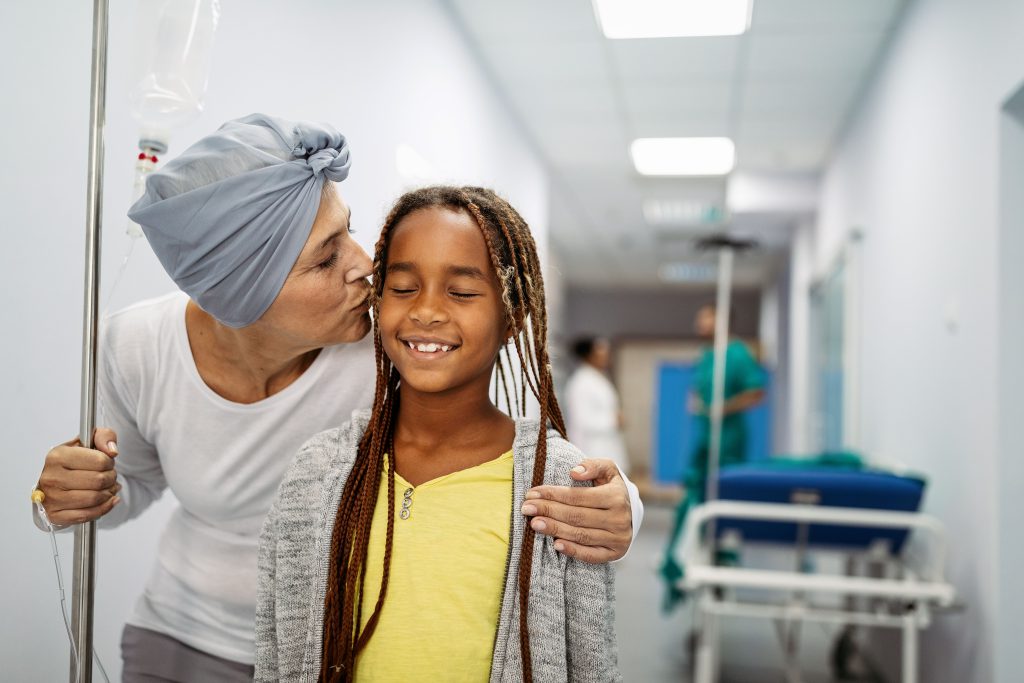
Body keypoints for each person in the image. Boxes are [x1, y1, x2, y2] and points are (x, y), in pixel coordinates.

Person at [31, 115, 639, 681]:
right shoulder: (136, 346)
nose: (364, 266)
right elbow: (130, 484)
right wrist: (79, 493)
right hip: (183, 638)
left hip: (333, 651)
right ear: (244, 295)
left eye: (346, 229)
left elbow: (516, 451)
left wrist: (621, 507)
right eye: (326, 257)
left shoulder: (397, 343)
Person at [255, 186, 620, 682]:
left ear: (512, 317)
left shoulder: (555, 486)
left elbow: (590, 662)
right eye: (403, 288)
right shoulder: (318, 472)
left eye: (463, 292)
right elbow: (278, 653)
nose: (426, 311)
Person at [659, 303, 765, 610]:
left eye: (705, 319)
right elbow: (700, 391)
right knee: (695, 495)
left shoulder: (738, 353)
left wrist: (722, 409)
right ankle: (689, 555)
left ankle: (722, 557)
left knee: (722, 497)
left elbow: (756, 392)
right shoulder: (707, 356)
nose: (699, 325)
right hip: (705, 437)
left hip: (728, 439)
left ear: (721, 320)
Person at [564, 337, 629, 475]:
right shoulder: (581, 383)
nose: (606, 355)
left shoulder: (598, 378)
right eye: (601, 351)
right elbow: (582, 420)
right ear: (589, 355)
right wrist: (613, 420)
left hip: (607, 446)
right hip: (591, 449)